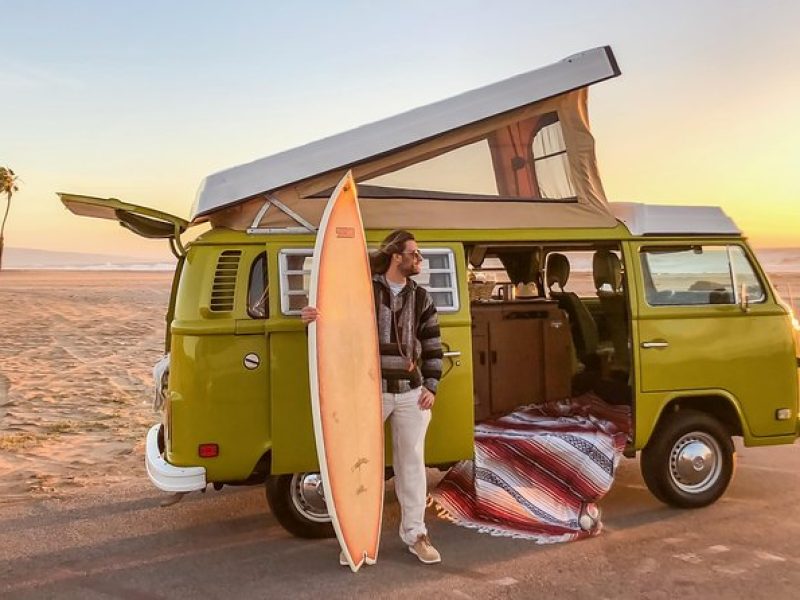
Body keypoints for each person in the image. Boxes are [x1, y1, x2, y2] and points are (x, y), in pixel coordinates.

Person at [301, 229, 443, 565]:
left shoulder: (421, 298)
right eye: (415, 253)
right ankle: (355, 538)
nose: (419, 259)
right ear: (397, 256)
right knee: (357, 464)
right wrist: (309, 317)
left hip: (410, 393)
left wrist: (431, 386)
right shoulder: (366, 290)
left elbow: (434, 344)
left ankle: (416, 535)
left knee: (412, 466)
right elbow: (337, 321)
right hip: (370, 393)